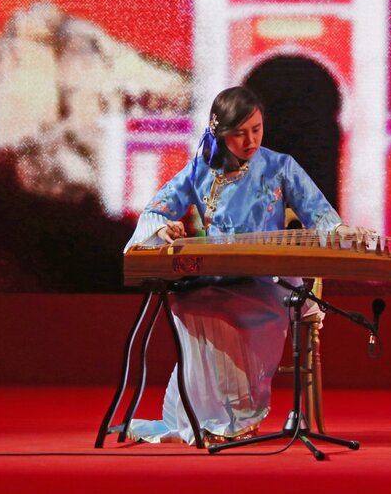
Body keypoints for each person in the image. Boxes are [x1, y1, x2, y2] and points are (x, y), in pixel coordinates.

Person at [124, 86, 369, 444]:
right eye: (240, 133)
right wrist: (163, 227)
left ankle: (236, 421)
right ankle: (206, 418)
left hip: (265, 280)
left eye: (257, 129)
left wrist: (340, 230)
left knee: (234, 315)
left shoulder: (280, 166)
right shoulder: (200, 170)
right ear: (220, 133)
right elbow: (156, 209)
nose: (251, 140)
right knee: (189, 307)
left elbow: (318, 213)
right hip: (214, 277)